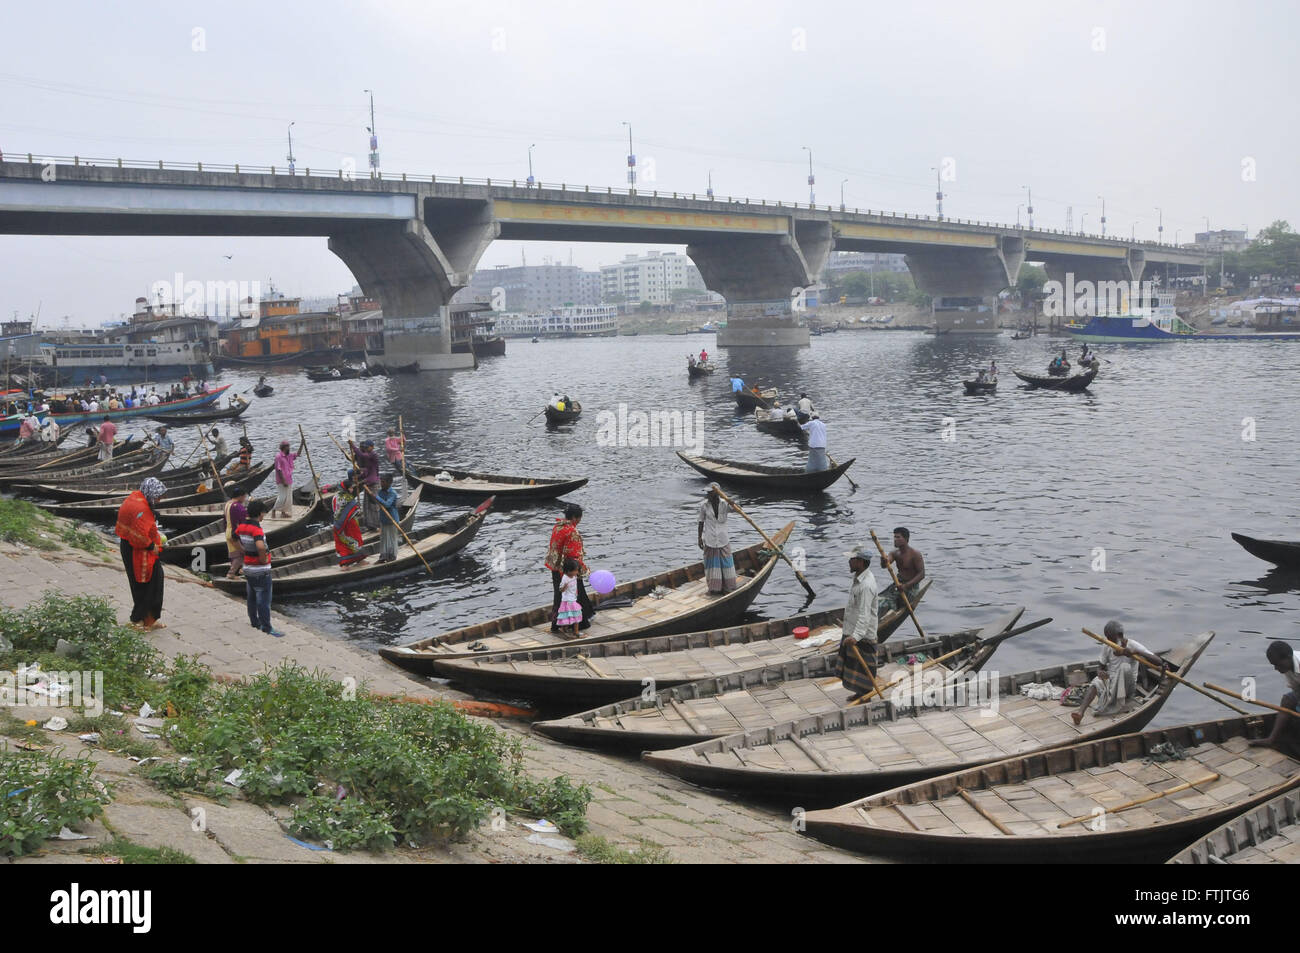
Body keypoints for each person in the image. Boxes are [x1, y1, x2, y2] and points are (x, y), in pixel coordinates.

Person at [1071, 620, 1167, 725]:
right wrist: (1100, 672)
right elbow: (1100, 666)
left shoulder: (1133, 645)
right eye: (1107, 637)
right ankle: (1080, 712)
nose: (1109, 640)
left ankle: (1114, 701)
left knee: (1124, 667)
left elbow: (1159, 662)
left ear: (1120, 635)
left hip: (1127, 687)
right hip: (1112, 682)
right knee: (1096, 681)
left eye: (1111, 638)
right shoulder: (1107, 646)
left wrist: (1135, 653)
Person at [114, 477, 168, 631]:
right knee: (143, 586)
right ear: (150, 494)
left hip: (138, 547)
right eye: (157, 497)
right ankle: (137, 620)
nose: (158, 500)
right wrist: (152, 546)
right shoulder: (140, 508)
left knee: (156, 582)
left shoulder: (136, 497)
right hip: (136, 549)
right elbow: (138, 535)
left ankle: (150, 619)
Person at [839, 545, 881, 700]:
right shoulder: (859, 578)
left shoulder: (866, 585)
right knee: (855, 666)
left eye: (852, 559)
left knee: (864, 669)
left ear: (860, 562)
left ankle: (866, 695)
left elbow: (865, 615)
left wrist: (856, 636)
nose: (849, 562)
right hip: (853, 628)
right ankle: (861, 693)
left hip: (863, 633)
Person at [238, 499, 284, 637]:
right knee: (263, 600)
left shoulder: (242, 526)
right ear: (259, 513)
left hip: (248, 567)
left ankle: (254, 622)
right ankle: (267, 627)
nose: (264, 516)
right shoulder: (256, 529)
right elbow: (260, 546)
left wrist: (245, 550)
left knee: (251, 597)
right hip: (260, 569)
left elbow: (233, 538)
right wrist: (263, 559)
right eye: (263, 513)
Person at [545, 503, 593, 631]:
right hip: (569, 570)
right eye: (579, 519)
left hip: (555, 567)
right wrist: (584, 569)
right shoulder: (572, 531)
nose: (579, 522)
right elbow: (573, 555)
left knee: (559, 596)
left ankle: (557, 624)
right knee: (573, 596)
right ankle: (578, 624)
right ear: (574, 518)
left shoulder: (557, 526)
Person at [1249, 641, 1300, 752]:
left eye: (1278, 664)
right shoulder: (1287, 667)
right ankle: (1271, 739)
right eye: (1274, 665)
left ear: (1288, 657)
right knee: (1287, 700)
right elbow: (1296, 690)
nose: (1276, 668)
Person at [697, 483, 737, 594]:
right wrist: (699, 538)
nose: (708, 494)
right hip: (710, 540)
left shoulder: (725, 504)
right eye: (708, 492)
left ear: (716, 493)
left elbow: (737, 510)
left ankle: (729, 587)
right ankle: (714, 589)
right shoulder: (704, 505)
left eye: (710, 492)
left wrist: (732, 503)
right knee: (712, 567)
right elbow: (701, 522)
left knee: (726, 565)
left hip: (723, 540)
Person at [879, 527, 925, 613]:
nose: (895, 539)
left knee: (886, 603)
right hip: (898, 584)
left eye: (898, 537)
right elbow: (885, 565)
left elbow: (922, 574)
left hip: (911, 587)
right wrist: (883, 560)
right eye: (894, 537)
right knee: (878, 599)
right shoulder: (895, 553)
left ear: (906, 539)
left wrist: (906, 586)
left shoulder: (915, 554)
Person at [332, 476, 367, 568]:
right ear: (346, 488)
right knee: (356, 540)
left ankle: (349, 563)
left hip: (338, 524)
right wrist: (357, 508)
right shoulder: (348, 498)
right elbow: (354, 510)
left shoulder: (335, 497)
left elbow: (335, 510)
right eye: (351, 488)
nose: (352, 489)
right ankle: (353, 561)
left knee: (342, 543)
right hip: (350, 525)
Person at [350, 438, 381, 529]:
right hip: (368, 485)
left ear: (372, 447)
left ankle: (377, 524)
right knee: (366, 506)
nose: (366, 449)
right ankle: (370, 525)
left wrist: (352, 446)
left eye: (368, 447)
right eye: (365, 448)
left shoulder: (373, 455)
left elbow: (372, 477)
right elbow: (367, 472)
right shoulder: (368, 458)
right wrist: (358, 478)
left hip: (374, 485)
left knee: (374, 506)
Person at [373, 473, 401, 563]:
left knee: (392, 539)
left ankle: (392, 556)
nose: (381, 483)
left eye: (383, 482)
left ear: (389, 483)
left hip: (392, 519)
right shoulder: (381, 492)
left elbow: (387, 504)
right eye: (381, 481)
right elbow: (377, 502)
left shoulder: (392, 493)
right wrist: (372, 497)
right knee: (384, 539)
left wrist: (377, 497)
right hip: (383, 519)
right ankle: (383, 557)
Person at [223, 487, 249, 579]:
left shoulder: (228, 504)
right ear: (240, 496)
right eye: (244, 497)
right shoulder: (238, 506)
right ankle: (231, 573)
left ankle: (242, 570)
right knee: (241, 553)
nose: (245, 499)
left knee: (234, 554)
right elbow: (243, 520)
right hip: (235, 532)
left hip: (228, 531)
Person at [555, 557, 584, 639]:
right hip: (567, 600)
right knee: (568, 616)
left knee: (576, 615)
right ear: (568, 571)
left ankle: (575, 631)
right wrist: (564, 587)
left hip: (573, 598)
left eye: (577, 570)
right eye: (575, 570)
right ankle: (568, 630)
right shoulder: (565, 578)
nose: (577, 572)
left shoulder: (574, 576)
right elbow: (560, 589)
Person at [273, 439, 301, 518]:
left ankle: (283, 512)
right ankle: (274, 510)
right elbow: (278, 469)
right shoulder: (278, 456)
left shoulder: (289, 455)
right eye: (287, 446)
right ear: (284, 447)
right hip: (282, 480)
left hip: (288, 479)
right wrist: (283, 480)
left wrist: (302, 443)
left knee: (288, 497)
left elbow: (298, 454)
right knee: (282, 497)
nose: (289, 448)